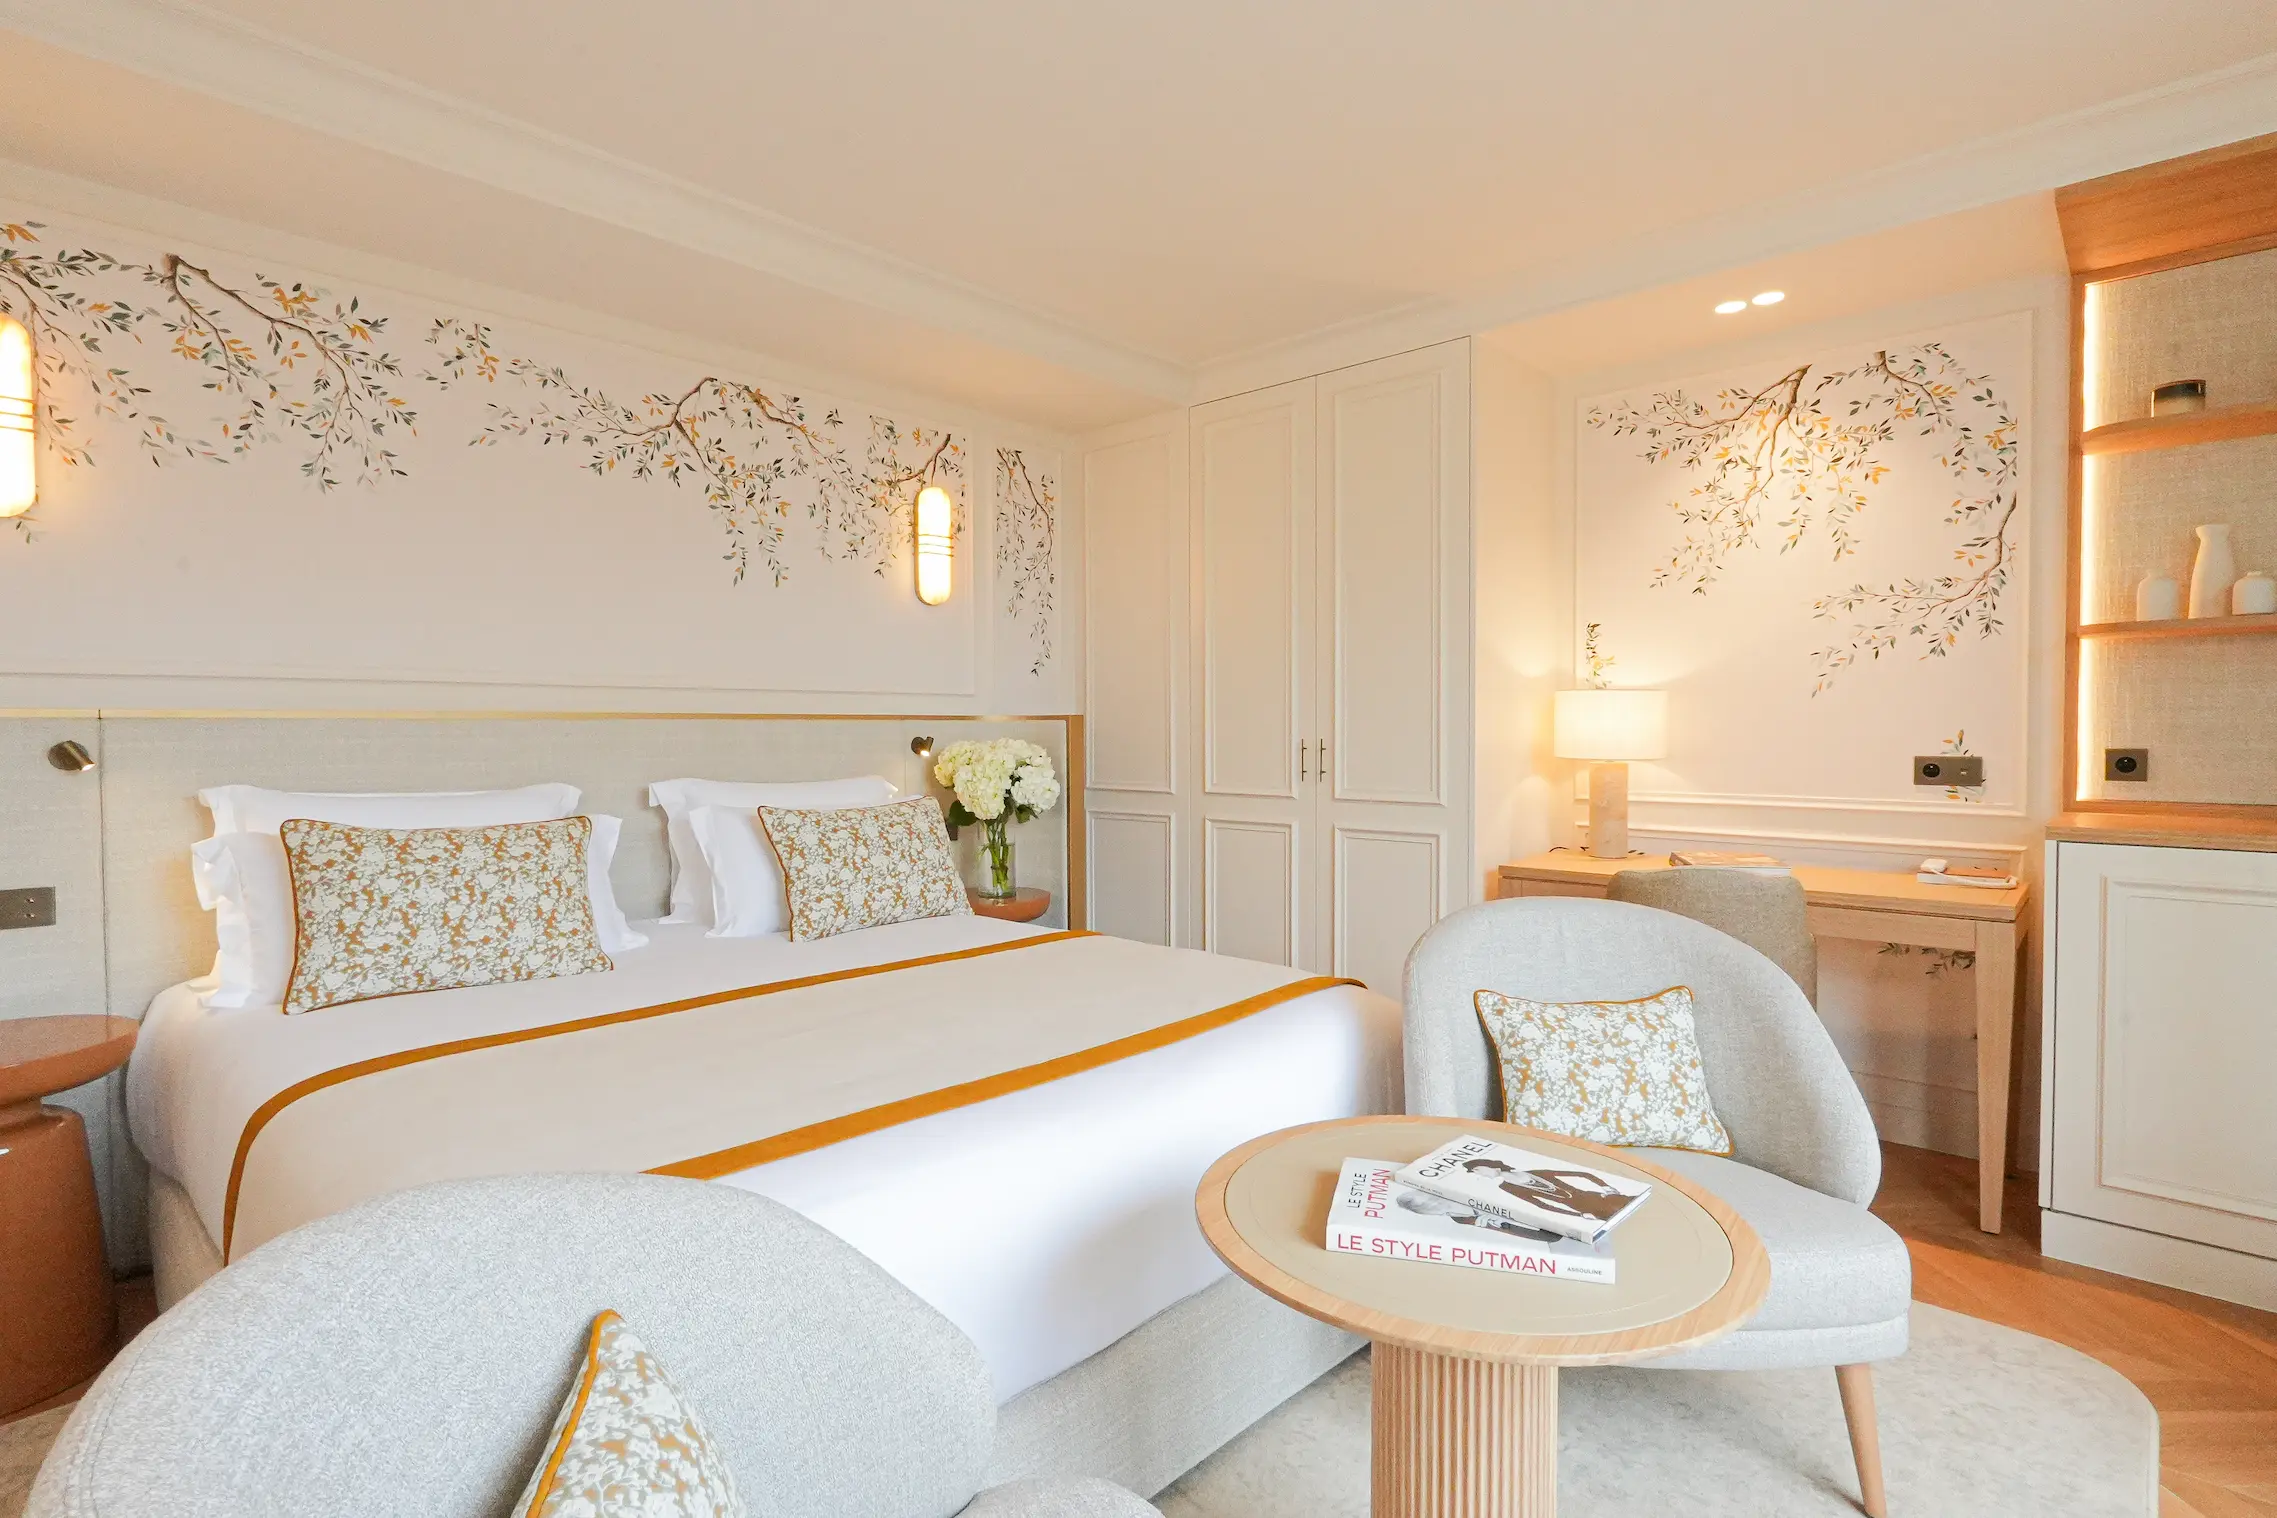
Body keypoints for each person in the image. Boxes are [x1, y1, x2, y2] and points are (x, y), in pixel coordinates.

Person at [1458, 1157, 1631, 1224]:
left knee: (1630, 1206)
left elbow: (1582, 1173)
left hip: (1598, 1197)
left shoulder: (1535, 1172)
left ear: (1489, 1165)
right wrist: (1578, 1216)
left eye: (1476, 1169)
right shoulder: (1507, 1188)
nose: (1477, 1174)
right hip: (1585, 1210)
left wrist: (1605, 1186)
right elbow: (1541, 1206)